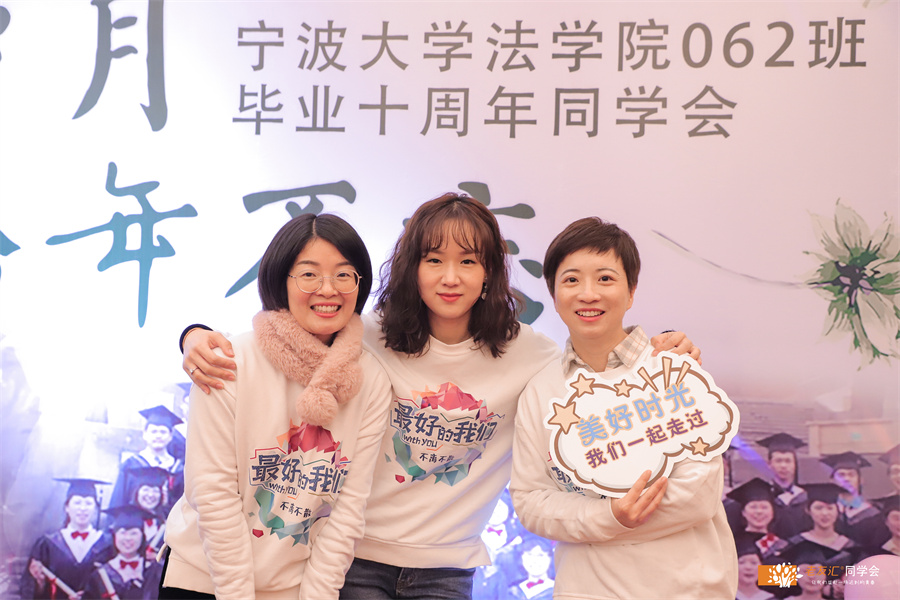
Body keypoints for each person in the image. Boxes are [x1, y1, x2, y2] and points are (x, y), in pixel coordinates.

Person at [180, 194, 700, 599]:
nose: (450, 278)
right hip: (353, 560)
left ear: (489, 272)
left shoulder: (533, 356)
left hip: (447, 568)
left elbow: (597, 368)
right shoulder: (367, 337)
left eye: (468, 261)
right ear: (413, 267)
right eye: (433, 259)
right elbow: (286, 337)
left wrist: (662, 347)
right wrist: (193, 335)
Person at [159, 213, 393, 600]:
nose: (328, 290)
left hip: (295, 588)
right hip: (204, 580)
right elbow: (213, 495)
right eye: (309, 274)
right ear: (279, 279)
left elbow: (348, 509)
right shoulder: (228, 361)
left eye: (343, 275)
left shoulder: (371, 379)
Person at [510, 217, 737, 599]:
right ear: (554, 293)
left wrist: (596, 520)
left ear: (631, 292)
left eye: (605, 279)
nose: (588, 294)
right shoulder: (541, 390)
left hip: (687, 590)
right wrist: (610, 515)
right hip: (585, 591)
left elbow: (698, 493)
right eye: (571, 280)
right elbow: (532, 502)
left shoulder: (671, 369)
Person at [20, 478, 113, 599]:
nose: (83, 508)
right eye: (77, 502)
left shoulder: (107, 544)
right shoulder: (47, 545)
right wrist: (39, 582)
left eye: (88, 503)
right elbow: (31, 591)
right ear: (67, 507)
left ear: (95, 509)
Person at [110, 405, 184, 515]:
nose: (158, 436)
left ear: (170, 436)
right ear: (145, 434)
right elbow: (119, 499)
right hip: (134, 522)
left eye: (163, 432)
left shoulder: (178, 469)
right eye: (153, 431)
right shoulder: (130, 464)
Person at [85, 505, 163, 600]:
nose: (128, 538)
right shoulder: (100, 575)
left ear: (142, 537)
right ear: (114, 536)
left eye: (134, 533)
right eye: (122, 533)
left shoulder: (156, 572)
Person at [820, 451, 887, 546]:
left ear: (861, 480)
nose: (846, 479)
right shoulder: (824, 512)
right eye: (841, 475)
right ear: (832, 480)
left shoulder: (874, 513)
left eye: (851, 474)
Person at [755, 433, 810, 538]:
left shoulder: (805, 497)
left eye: (788, 461)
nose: (783, 466)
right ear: (769, 464)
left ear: (795, 464)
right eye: (778, 461)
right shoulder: (763, 497)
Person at [727, 478, 789, 559]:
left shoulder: (782, 546)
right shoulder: (731, 544)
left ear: (772, 512)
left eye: (764, 507)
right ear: (743, 512)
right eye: (753, 507)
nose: (759, 511)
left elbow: (788, 567)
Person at [787, 483, 856, 553]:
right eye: (818, 508)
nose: (824, 513)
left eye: (830, 508)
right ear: (808, 510)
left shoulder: (850, 547)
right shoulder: (795, 545)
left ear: (838, 511)